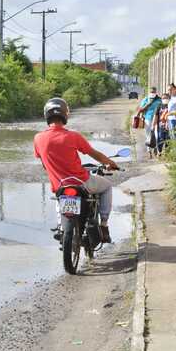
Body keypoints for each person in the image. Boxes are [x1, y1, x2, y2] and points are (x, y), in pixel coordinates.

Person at [34, 98, 119, 243]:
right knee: (107, 186)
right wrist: (111, 163)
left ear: (46, 115)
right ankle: (104, 225)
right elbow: (94, 154)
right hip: (82, 182)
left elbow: (44, 163)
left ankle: (61, 226)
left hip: (60, 185)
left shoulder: (38, 138)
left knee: (58, 195)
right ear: (65, 115)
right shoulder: (73, 136)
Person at [136, 87, 162, 157]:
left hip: (157, 119)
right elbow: (140, 109)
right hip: (148, 118)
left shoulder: (159, 99)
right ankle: (149, 150)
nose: (152, 93)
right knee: (148, 135)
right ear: (149, 92)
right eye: (151, 92)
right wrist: (141, 115)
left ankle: (156, 149)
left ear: (156, 92)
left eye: (153, 92)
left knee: (156, 135)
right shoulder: (146, 99)